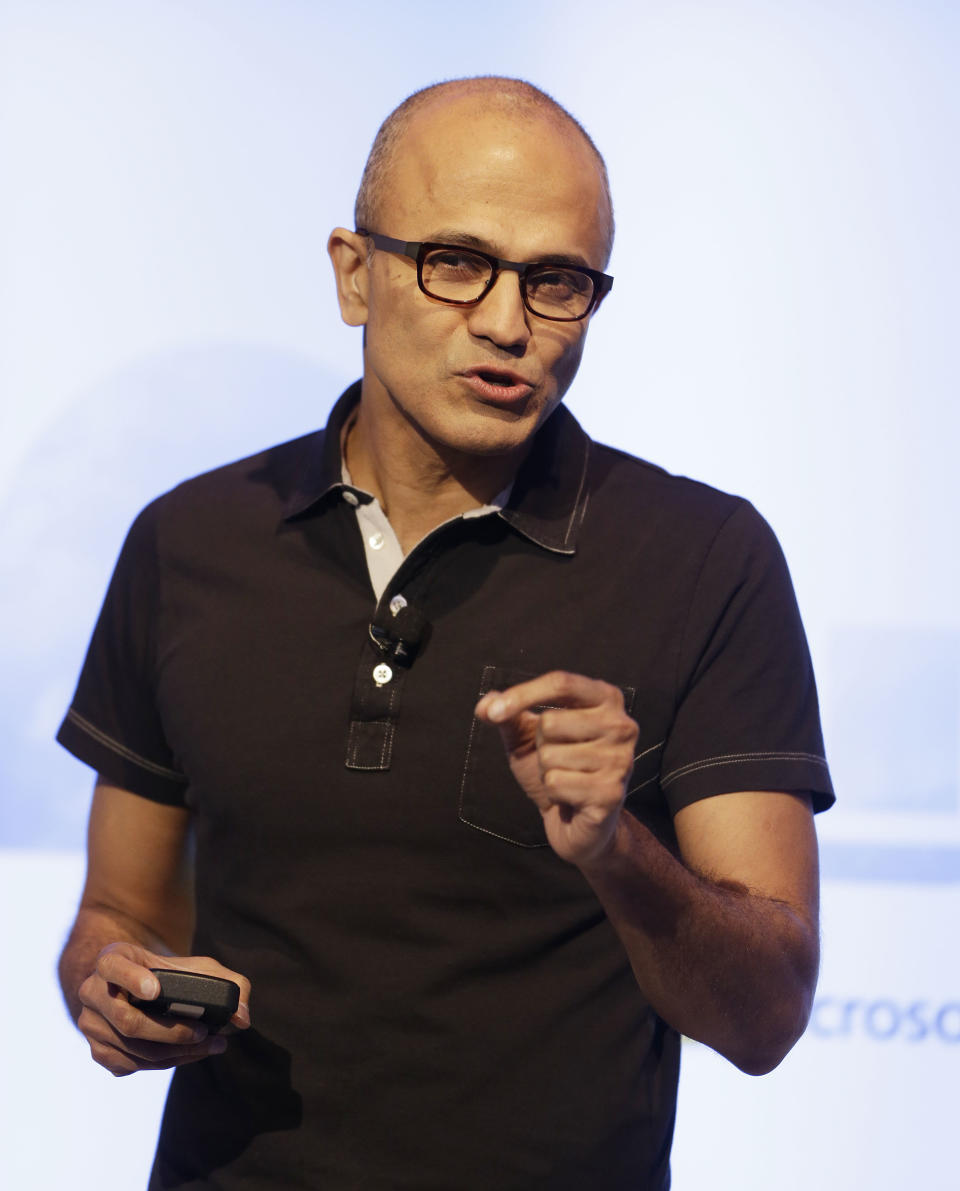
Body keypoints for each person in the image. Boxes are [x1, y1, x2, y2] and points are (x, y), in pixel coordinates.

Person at [56, 76, 834, 1190]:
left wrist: (619, 852)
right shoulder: (189, 541)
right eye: (457, 262)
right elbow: (117, 911)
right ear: (353, 272)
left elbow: (766, 1017)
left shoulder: (706, 558)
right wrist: (114, 986)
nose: (511, 325)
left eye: (557, 281)